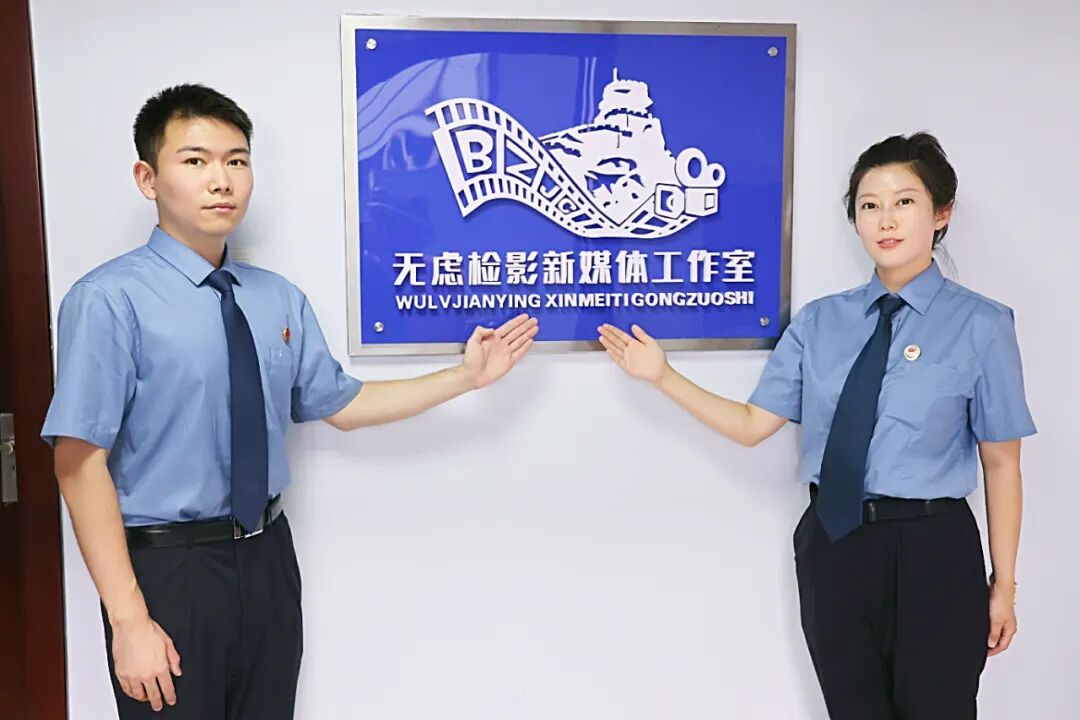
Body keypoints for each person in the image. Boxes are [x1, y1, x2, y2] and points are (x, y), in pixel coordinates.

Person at [41, 83, 538, 719]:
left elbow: (342, 405)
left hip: (268, 558)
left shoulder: (276, 298)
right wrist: (130, 621)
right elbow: (78, 463)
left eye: (236, 160)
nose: (220, 180)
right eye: (194, 160)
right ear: (148, 178)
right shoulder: (109, 300)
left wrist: (464, 378)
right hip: (170, 570)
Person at [598, 132, 1034, 719]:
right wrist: (663, 376)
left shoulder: (982, 325)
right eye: (869, 205)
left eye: (904, 201)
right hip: (835, 542)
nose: (885, 219)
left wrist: (1004, 584)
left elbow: (1002, 462)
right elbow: (753, 423)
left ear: (941, 213)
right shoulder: (820, 322)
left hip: (933, 547)